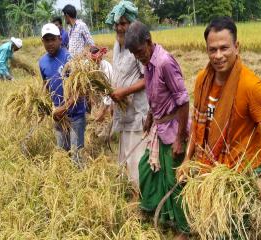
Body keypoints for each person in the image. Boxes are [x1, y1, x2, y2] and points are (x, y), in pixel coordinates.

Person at [177, 17, 261, 203]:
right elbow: (197, 124)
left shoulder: (251, 86)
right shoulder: (202, 80)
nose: (218, 55)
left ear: (237, 47)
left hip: (242, 170)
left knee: (231, 229)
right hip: (211, 165)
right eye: (213, 50)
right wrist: (187, 158)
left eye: (224, 48)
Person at [125, 21, 190, 239]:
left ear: (148, 42)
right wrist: (150, 118)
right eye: (134, 53)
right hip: (159, 127)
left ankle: (184, 228)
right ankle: (156, 210)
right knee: (148, 168)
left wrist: (180, 139)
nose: (138, 57)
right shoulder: (148, 63)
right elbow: (155, 95)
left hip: (173, 130)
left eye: (139, 51)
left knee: (175, 181)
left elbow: (183, 100)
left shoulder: (163, 63)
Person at [102, 1, 149, 193]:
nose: (119, 27)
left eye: (123, 23)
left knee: (138, 155)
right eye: (117, 24)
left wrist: (125, 92)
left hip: (138, 110)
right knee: (126, 155)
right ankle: (129, 190)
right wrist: (113, 99)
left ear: (131, 23)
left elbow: (148, 78)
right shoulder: (118, 44)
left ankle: (142, 195)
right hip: (123, 110)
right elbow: (118, 74)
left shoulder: (137, 45)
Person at [39, 23, 86, 168]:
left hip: (75, 115)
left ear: (60, 39)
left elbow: (80, 89)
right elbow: (46, 86)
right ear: (43, 42)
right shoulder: (42, 62)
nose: (50, 43)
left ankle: (80, 184)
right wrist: (44, 105)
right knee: (62, 154)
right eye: (46, 40)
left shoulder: (70, 59)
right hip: (58, 117)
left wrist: (64, 108)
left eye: (52, 39)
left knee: (76, 157)